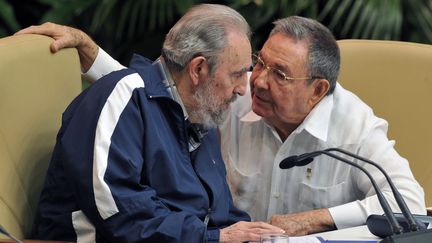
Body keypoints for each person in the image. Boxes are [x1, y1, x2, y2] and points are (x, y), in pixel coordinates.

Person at [17, 13, 426, 236]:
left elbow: (411, 204)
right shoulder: (219, 96)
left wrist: (311, 220)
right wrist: (99, 63)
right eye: (256, 64)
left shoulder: (352, 124)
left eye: (278, 74)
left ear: (317, 90)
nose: (255, 83)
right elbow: (153, 98)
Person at [20, 4, 285, 243]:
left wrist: (251, 235)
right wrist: (212, 237)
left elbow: (216, 211)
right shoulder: (122, 98)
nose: (243, 89)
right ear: (198, 69)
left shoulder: (199, 113)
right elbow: (120, 211)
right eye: (237, 74)